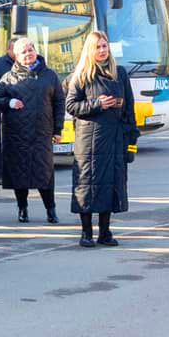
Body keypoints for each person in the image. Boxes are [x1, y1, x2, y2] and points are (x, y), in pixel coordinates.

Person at [65, 30, 138, 248]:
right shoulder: (81, 75)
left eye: (105, 46)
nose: (102, 50)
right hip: (89, 140)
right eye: (98, 47)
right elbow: (71, 106)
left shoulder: (120, 73)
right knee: (87, 185)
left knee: (111, 184)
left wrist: (131, 140)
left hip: (115, 138)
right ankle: (86, 232)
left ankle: (105, 232)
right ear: (90, 49)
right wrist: (97, 104)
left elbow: (130, 109)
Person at [0, 36, 62, 223]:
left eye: (30, 49)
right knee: (19, 174)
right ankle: (22, 208)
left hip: (42, 133)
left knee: (45, 174)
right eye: (23, 51)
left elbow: (59, 102)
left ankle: (51, 209)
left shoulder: (49, 75)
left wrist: (58, 129)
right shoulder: (8, 78)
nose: (28, 54)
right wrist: (9, 102)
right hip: (17, 134)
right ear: (16, 56)